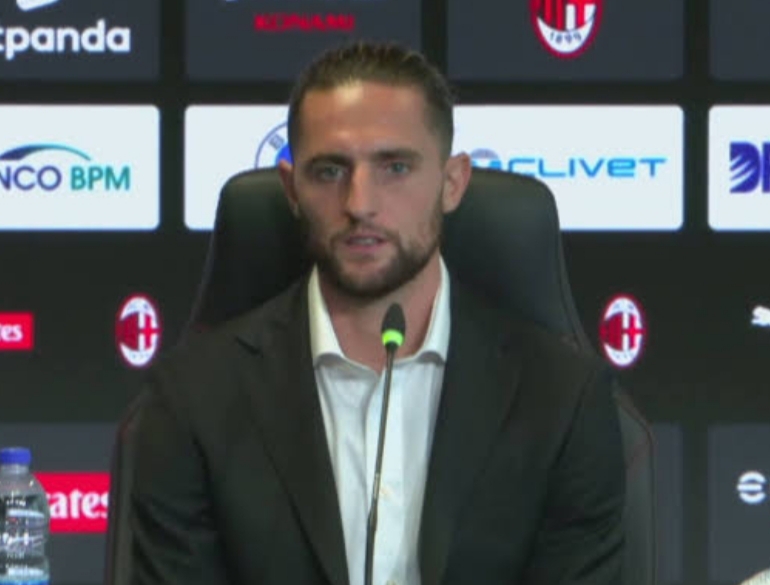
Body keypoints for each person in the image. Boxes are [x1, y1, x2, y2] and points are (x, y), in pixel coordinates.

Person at [128, 41, 625, 585]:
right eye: (329, 171)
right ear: (291, 189)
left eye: (395, 167)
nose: (360, 203)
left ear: (452, 183)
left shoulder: (562, 399)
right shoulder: (193, 398)